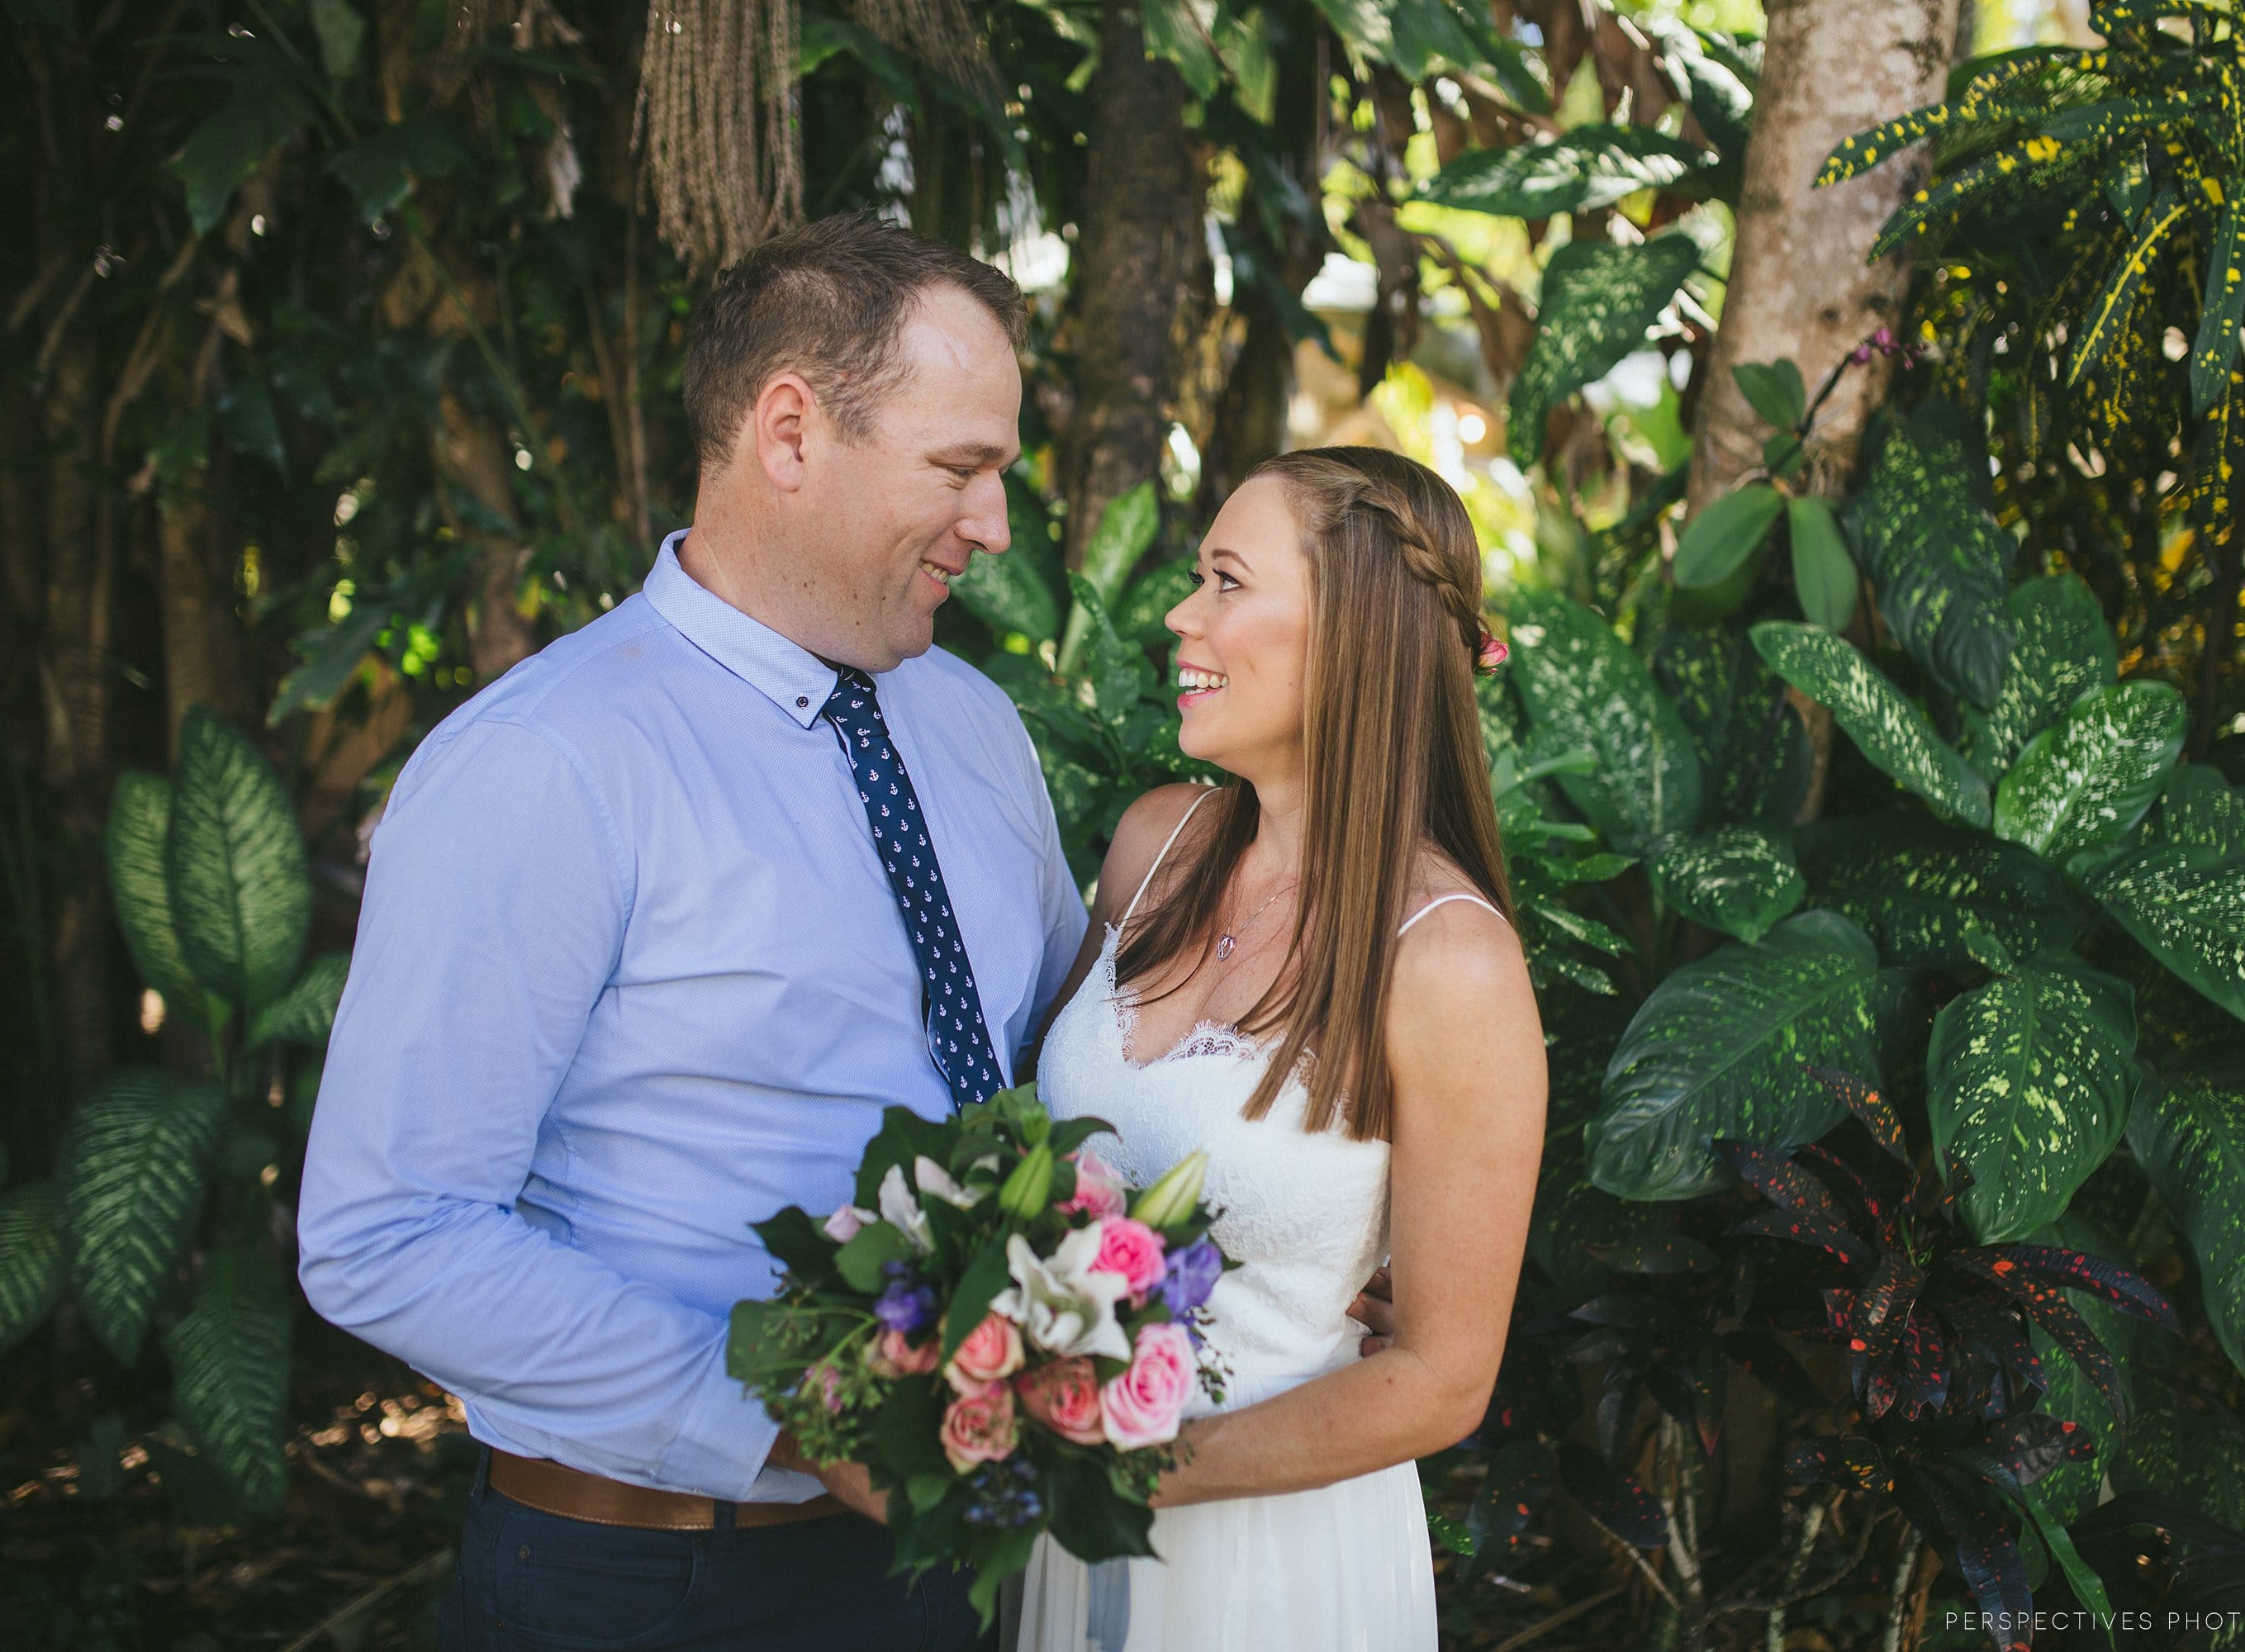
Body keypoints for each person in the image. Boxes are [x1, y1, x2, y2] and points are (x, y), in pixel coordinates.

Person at [296, 213, 1085, 1650]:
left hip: (956, 1564)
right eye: (960, 471)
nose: (995, 531)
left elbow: (1049, 1071)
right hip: (655, 1584)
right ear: (790, 431)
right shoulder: (547, 762)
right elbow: (386, 1232)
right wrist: (788, 1420)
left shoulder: (976, 728)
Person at [1013, 448, 1550, 1652]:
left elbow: (1445, 1377)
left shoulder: (1449, 963)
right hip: (1064, 1514)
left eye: (1225, 582)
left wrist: (1140, 1472)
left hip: (1269, 1559)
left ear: (1353, 633)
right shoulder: (1153, 847)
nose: (1179, 615)